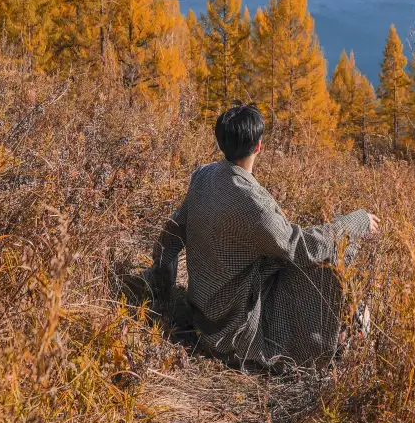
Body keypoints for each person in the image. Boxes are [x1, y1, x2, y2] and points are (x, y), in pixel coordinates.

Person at [149, 103, 380, 369]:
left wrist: (161, 290)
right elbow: (299, 246)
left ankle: (340, 328)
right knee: (322, 263)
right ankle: (328, 341)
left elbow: (170, 235)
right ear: (258, 146)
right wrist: (355, 223)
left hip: (204, 315)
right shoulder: (252, 202)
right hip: (233, 327)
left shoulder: (202, 176)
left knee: (293, 258)